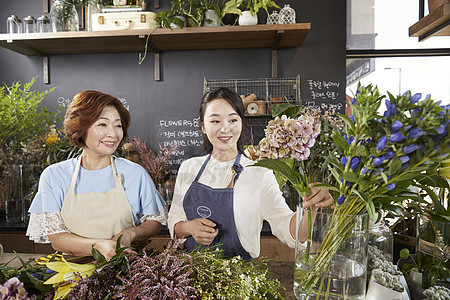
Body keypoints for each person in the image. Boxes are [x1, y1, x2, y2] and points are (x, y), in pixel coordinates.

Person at [167, 87, 334, 260]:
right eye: (215, 121)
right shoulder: (189, 168)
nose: (225, 129)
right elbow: (175, 223)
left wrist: (312, 207)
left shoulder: (260, 172)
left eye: (232, 120)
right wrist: (189, 227)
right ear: (203, 126)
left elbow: (292, 233)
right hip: (188, 277)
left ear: (241, 123)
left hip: (239, 280)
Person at [26, 90, 166, 260]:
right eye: (102, 124)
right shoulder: (55, 175)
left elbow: (154, 222)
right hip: (71, 275)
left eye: (118, 125)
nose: (113, 134)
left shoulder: (135, 173)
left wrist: (131, 234)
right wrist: (100, 246)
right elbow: (57, 238)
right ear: (81, 128)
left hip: (127, 273)